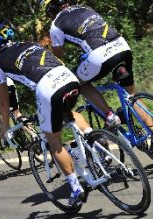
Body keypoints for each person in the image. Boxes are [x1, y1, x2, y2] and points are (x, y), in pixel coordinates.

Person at [0, 23, 94, 206]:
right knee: (69, 115)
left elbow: (4, 103)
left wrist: (5, 126)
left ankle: (76, 188)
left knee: (54, 142)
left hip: (48, 87)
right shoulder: (30, 44)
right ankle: (96, 143)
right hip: (68, 77)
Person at [39, 0, 153, 130]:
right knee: (132, 96)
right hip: (122, 46)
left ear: (50, 11)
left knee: (77, 82)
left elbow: (57, 58)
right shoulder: (85, 8)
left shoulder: (56, 24)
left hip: (99, 54)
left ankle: (110, 116)